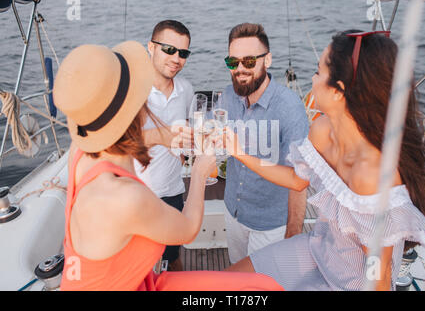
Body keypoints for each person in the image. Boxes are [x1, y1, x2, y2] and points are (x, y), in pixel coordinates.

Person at [54, 40, 283, 291]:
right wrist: (198, 174)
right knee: (265, 288)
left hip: (126, 281)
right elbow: (187, 229)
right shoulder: (125, 198)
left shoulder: (80, 152)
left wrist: (161, 135)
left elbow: (118, 142)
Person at [223, 30, 425, 291]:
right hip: (318, 248)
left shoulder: (371, 174)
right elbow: (296, 180)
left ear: (338, 92)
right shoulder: (322, 130)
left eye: (317, 72)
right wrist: (239, 153)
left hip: (353, 282)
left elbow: (378, 273)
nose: (312, 79)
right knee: (228, 282)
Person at [220, 23, 309, 264]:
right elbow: (212, 131)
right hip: (233, 212)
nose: (240, 69)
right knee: (238, 276)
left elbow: (300, 178)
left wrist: (293, 231)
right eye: (233, 62)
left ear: (267, 60)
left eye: (249, 61)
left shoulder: (290, 108)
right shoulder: (228, 96)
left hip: (270, 225)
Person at [134, 20, 195, 272]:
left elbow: (188, 131)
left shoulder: (186, 89)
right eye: (169, 49)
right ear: (151, 46)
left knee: (172, 258)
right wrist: (161, 136)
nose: (176, 58)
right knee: (138, 266)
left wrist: (187, 152)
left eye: (183, 53)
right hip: (136, 194)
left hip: (172, 192)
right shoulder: (132, 90)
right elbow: (114, 143)